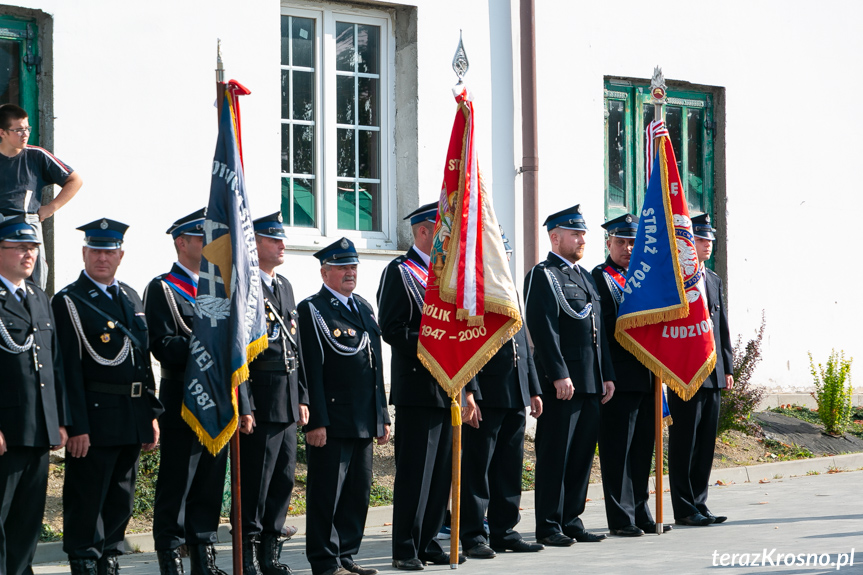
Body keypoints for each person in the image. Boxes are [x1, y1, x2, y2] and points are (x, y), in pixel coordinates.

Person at [52, 218, 163, 575]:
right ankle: (84, 560)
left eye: (109, 251)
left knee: (121, 494)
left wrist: (150, 413)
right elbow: (66, 369)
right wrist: (75, 424)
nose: (102, 257)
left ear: (121, 255)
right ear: (84, 253)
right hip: (94, 416)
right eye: (96, 250)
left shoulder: (131, 297)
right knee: (87, 495)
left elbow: (142, 362)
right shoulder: (69, 301)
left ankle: (109, 557)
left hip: (131, 413)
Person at [376, 203, 469, 570]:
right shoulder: (400, 272)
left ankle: (429, 539)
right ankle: (405, 547)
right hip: (417, 387)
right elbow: (392, 327)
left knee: (441, 472)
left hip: (447, 387)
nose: (449, 237)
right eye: (443, 230)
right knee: (416, 472)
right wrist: (435, 340)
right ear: (424, 232)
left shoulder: (444, 274)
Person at [523, 204, 615, 547]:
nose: (581, 240)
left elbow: (598, 331)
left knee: (580, 455)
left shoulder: (584, 276)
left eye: (583, 234)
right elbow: (543, 329)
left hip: (590, 382)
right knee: (555, 454)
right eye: (574, 234)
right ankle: (548, 525)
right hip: (562, 384)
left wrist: (606, 374)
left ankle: (571, 519)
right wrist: (558, 373)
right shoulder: (542, 275)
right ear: (554, 236)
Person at [298, 237, 390, 575]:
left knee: (357, 491)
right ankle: (324, 560)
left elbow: (375, 366)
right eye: (341, 267)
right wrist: (316, 420)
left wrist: (382, 415)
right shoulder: (313, 309)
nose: (350, 272)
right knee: (327, 493)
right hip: (333, 418)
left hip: (364, 416)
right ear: (325, 273)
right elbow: (310, 368)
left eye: (353, 266)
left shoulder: (363, 307)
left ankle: (345, 555)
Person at [145, 208, 229, 575]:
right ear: (183, 243)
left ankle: (204, 553)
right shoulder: (163, 287)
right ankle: (171, 554)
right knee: (178, 481)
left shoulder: (220, 288)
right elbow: (162, 344)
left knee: (210, 481)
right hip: (182, 396)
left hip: (219, 398)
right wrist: (205, 345)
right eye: (202, 239)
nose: (210, 245)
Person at [460, 229, 545, 559]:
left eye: (507, 256)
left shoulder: (509, 293)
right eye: (500, 255)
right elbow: (466, 351)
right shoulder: (474, 296)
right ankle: (472, 534)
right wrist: (470, 393)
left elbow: (524, 344)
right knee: (477, 469)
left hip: (515, 394)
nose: (505, 261)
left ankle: (504, 530)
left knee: (510, 467)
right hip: (487, 396)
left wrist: (534, 389)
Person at [238, 212, 308, 575]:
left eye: (282, 239)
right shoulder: (246, 288)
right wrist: (245, 403)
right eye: (273, 239)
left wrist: (303, 396)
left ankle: (270, 553)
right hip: (261, 399)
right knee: (256, 481)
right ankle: (247, 554)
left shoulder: (285, 287)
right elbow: (241, 355)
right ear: (256, 244)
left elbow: (295, 347)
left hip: (287, 396)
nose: (282, 246)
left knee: (282, 479)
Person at [590, 214, 669, 537]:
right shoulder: (600, 277)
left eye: (633, 242)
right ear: (608, 243)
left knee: (641, 450)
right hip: (618, 379)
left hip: (648, 375)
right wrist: (606, 374)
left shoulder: (646, 277)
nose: (627, 248)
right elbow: (600, 334)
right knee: (617, 450)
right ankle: (621, 517)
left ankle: (640, 509)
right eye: (621, 241)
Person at [0, 216, 68, 575]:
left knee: (27, 521)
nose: (28, 254)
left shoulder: (39, 297)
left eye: (33, 248)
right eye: (19, 247)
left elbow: (54, 365)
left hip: (39, 428)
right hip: (6, 431)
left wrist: (59, 421)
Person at [668, 213, 734, 527]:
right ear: (687, 242)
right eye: (701, 239)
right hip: (686, 372)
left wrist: (728, 366)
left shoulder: (713, 278)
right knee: (685, 441)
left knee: (706, 442)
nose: (707, 245)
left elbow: (721, 326)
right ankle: (683, 507)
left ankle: (699, 502)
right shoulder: (675, 279)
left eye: (710, 239)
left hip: (714, 372)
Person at [0, 103, 83, 290]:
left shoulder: (36, 155)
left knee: (32, 283)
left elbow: (74, 180)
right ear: (2, 132)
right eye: (18, 130)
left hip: (25, 224)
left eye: (27, 128)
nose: (25, 134)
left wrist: (50, 208)